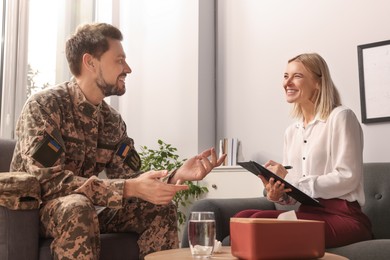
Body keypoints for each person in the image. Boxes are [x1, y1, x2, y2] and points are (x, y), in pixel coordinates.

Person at [10, 23, 226, 260]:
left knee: (158, 208)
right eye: (119, 60)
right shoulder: (44, 106)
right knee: (77, 207)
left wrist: (175, 176)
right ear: (90, 62)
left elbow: (131, 178)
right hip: (36, 211)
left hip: (87, 208)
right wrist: (129, 188)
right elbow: (47, 182)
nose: (128, 69)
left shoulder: (111, 120)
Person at [235, 53, 372, 248]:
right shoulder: (291, 132)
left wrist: (293, 181)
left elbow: (347, 177)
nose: (287, 83)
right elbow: (295, 194)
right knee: (245, 217)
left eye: (297, 76)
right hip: (308, 213)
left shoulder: (341, 117)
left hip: (344, 217)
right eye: (285, 76)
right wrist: (278, 193)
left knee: (258, 224)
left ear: (318, 82)